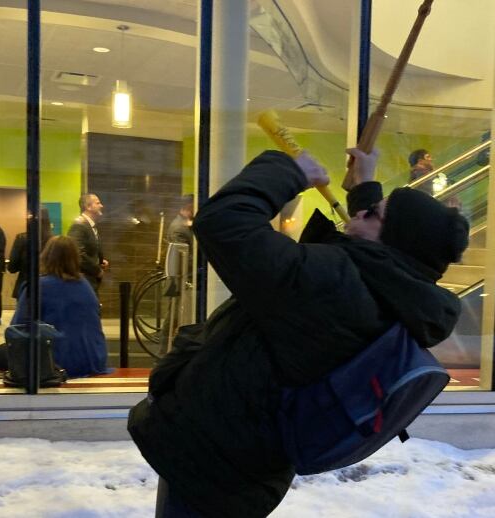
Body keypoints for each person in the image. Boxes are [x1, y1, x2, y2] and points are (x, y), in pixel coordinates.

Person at [128, 147, 469, 517]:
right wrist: (365, 187)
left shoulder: (332, 285)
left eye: (375, 212)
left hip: (214, 463)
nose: (361, 211)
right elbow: (377, 246)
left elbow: (223, 221)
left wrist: (288, 171)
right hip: (241, 454)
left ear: (393, 240)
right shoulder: (393, 291)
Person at [5, 236, 110, 377]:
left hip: (57, 362)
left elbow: (17, 329)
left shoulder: (37, 286)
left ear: (46, 256)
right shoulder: (86, 286)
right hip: (93, 360)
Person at [7, 207, 53, 299]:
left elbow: (12, 267)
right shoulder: (53, 241)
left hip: (26, 285)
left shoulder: (22, 239)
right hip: (49, 288)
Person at [68, 193, 108, 293]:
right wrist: (97, 270)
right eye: (98, 203)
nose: (101, 206)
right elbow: (77, 253)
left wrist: (100, 261)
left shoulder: (88, 225)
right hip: (83, 281)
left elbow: (89, 249)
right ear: (88, 207)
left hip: (88, 280)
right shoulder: (79, 225)